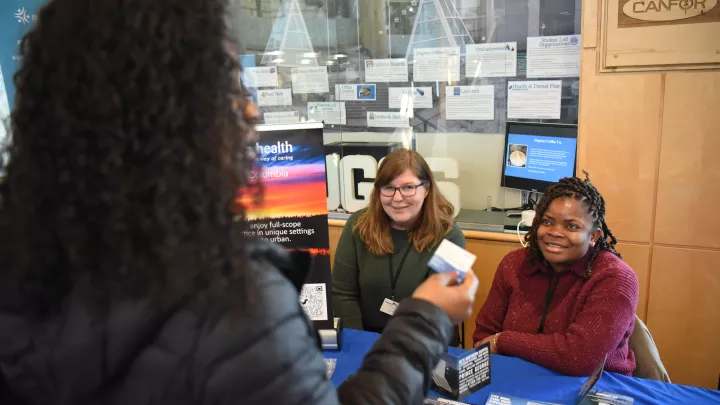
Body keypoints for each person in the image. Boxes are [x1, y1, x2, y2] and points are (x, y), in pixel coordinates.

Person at [0, 1, 479, 404]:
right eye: (227, 86)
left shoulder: (26, 252)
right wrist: (426, 317)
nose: (250, 110)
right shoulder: (237, 302)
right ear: (170, 116)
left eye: (410, 188)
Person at [472, 174, 639, 376]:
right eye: (548, 221)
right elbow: (483, 335)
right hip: (517, 377)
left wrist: (503, 341)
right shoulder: (514, 264)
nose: (555, 232)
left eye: (571, 226)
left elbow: (580, 357)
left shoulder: (615, 278)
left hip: (596, 386)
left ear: (593, 236)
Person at [332, 148, 466, 343]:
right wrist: (360, 344)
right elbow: (343, 294)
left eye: (408, 187)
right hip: (365, 338)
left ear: (426, 189)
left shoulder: (453, 237)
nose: (397, 198)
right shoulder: (357, 225)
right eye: (388, 188)